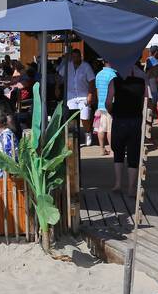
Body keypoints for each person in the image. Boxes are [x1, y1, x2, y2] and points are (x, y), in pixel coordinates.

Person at [105, 62, 147, 198]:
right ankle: (131, 188)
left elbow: (108, 102)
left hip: (119, 119)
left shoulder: (115, 81)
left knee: (118, 152)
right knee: (133, 154)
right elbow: (146, 101)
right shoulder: (141, 82)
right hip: (135, 120)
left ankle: (117, 184)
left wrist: (112, 111)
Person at [58, 49, 96, 146]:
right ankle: (74, 136)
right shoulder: (68, 66)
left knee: (85, 117)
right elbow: (59, 76)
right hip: (71, 96)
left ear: (80, 56)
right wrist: (57, 87)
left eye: (77, 56)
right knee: (71, 118)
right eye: (73, 57)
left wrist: (90, 94)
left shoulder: (86, 66)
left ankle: (88, 133)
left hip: (83, 96)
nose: (75, 58)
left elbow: (92, 81)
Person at [92, 58, 117, 156]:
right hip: (110, 104)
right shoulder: (113, 75)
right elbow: (114, 91)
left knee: (101, 128)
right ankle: (112, 149)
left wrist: (99, 103)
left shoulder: (98, 74)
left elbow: (97, 91)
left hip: (101, 104)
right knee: (111, 129)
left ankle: (102, 149)